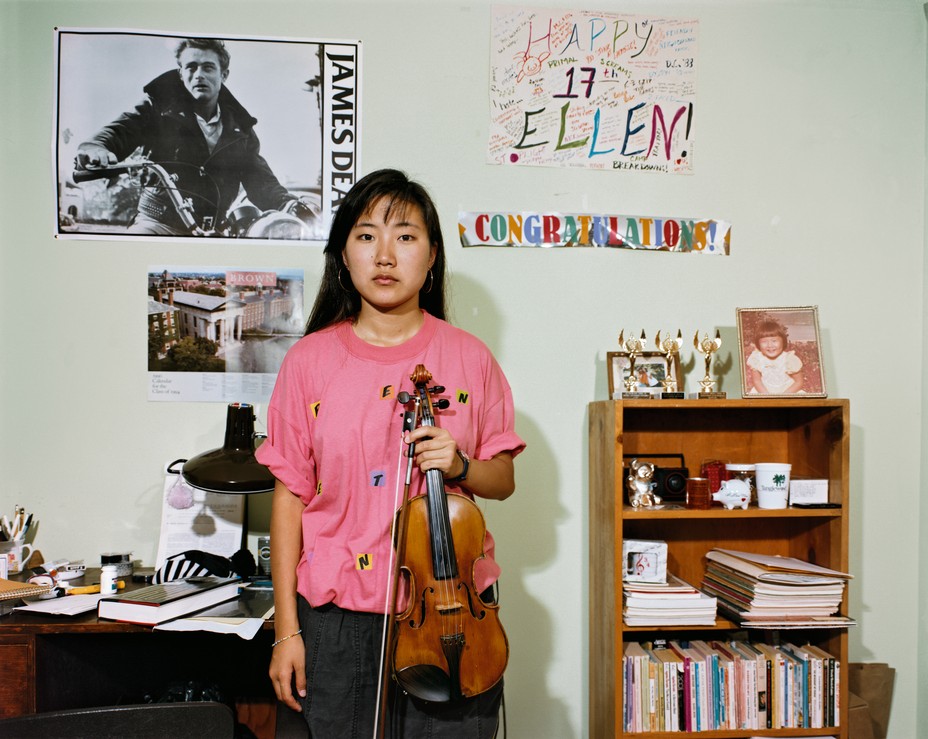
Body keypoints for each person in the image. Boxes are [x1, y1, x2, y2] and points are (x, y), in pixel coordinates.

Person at [255, 168, 525, 737]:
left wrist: (460, 466)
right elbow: (289, 498)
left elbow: (502, 478)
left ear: (431, 258)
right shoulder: (308, 362)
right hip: (333, 623)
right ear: (343, 257)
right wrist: (287, 631)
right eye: (365, 234)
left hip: (449, 614)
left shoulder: (470, 359)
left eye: (404, 236)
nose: (384, 254)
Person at [75, 38, 312, 235]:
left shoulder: (240, 129)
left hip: (214, 230)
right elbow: (119, 131)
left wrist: (292, 205)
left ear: (224, 74)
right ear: (181, 73)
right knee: (136, 251)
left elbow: (261, 182)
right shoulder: (157, 108)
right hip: (159, 224)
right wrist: (96, 147)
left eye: (208, 67)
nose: (199, 74)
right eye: (191, 67)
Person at [746, 317, 804, 394]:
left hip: (788, 393)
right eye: (764, 341)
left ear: (783, 342)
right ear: (758, 344)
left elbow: (799, 382)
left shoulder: (789, 359)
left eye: (774, 341)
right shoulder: (757, 359)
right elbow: (757, 381)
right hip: (764, 393)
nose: (770, 345)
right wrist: (767, 397)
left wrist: (782, 398)